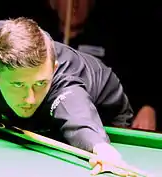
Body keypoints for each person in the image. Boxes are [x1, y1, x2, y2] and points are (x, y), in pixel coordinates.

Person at [0, 10, 136, 176]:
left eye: (40, 83)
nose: (30, 98)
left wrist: (101, 148)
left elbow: (79, 117)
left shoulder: (65, 84)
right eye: (17, 84)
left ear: (53, 69)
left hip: (105, 109)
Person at [46, 0, 157, 131]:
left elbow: (140, 77)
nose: (75, 3)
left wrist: (148, 106)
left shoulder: (114, 39)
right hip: (51, 125)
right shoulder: (45, 42)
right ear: (53, 3)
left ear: (92, 3)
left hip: (108, 126)